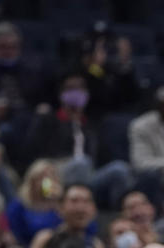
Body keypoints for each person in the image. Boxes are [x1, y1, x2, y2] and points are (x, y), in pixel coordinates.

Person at [22, 71, 134, 208]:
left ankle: (114, 212)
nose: (76, 92)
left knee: (119, 169)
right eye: (71, 88)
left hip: (88, 174)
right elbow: (32, 151)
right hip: (54, 172)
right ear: (61, 94)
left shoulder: (90, 125)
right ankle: (74, 206)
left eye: (80, 88)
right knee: (82, 163)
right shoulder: (48, 119)